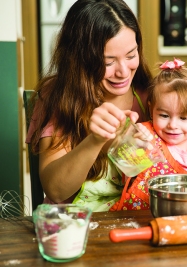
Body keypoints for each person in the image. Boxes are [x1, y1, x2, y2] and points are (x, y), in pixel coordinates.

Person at [26, 0, 153, 212]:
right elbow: (56, 190)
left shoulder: (150, 94)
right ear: (80, 59)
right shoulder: (58, 97)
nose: (123, 71)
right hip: (75, 226)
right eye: (108, 62)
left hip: (134, 222)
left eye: (131, 55)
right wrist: (95, 141)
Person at [111, 58, 187, 211]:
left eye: (184, 118)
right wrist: (132, 143)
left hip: (184, 217)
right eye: (164, 116)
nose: (173, 125)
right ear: (152, 108)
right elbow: (123, 167)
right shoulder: (144, 134)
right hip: (137, 216)